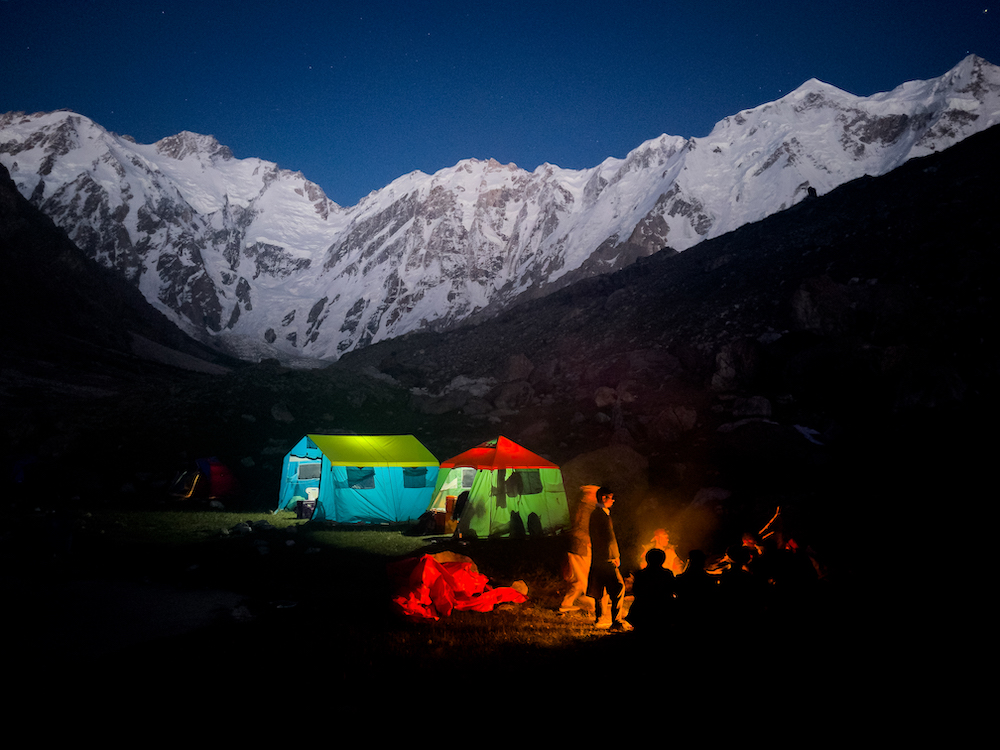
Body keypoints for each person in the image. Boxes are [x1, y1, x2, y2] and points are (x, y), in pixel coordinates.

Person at [587, 487, 629, 631]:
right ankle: (616, 622)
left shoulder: (597, 514)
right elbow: (609, 539)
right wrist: (615, 556)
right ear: (604, 498)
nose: (613, 500)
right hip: (606, 558)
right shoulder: (601, 515)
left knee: (600, 589)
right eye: (611, 497)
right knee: (618, 586)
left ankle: (600, 618)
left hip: (599, 558)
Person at [559, 485, 599, 612]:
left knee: (580, 579)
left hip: (579, 548)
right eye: (594, 495)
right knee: (585, 578)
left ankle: (566, 603)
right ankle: (596, 607)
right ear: (588, 496)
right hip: (580, 548)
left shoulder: (586, 508)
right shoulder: (585, 509)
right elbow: (576, 530)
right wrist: (589, 540)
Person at [627, 547, 676, 634]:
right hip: (663, 608)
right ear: (662, 560)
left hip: (643, 609)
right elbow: (673, 589)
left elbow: (636, 591)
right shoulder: (666, 574)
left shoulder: (640, 574)